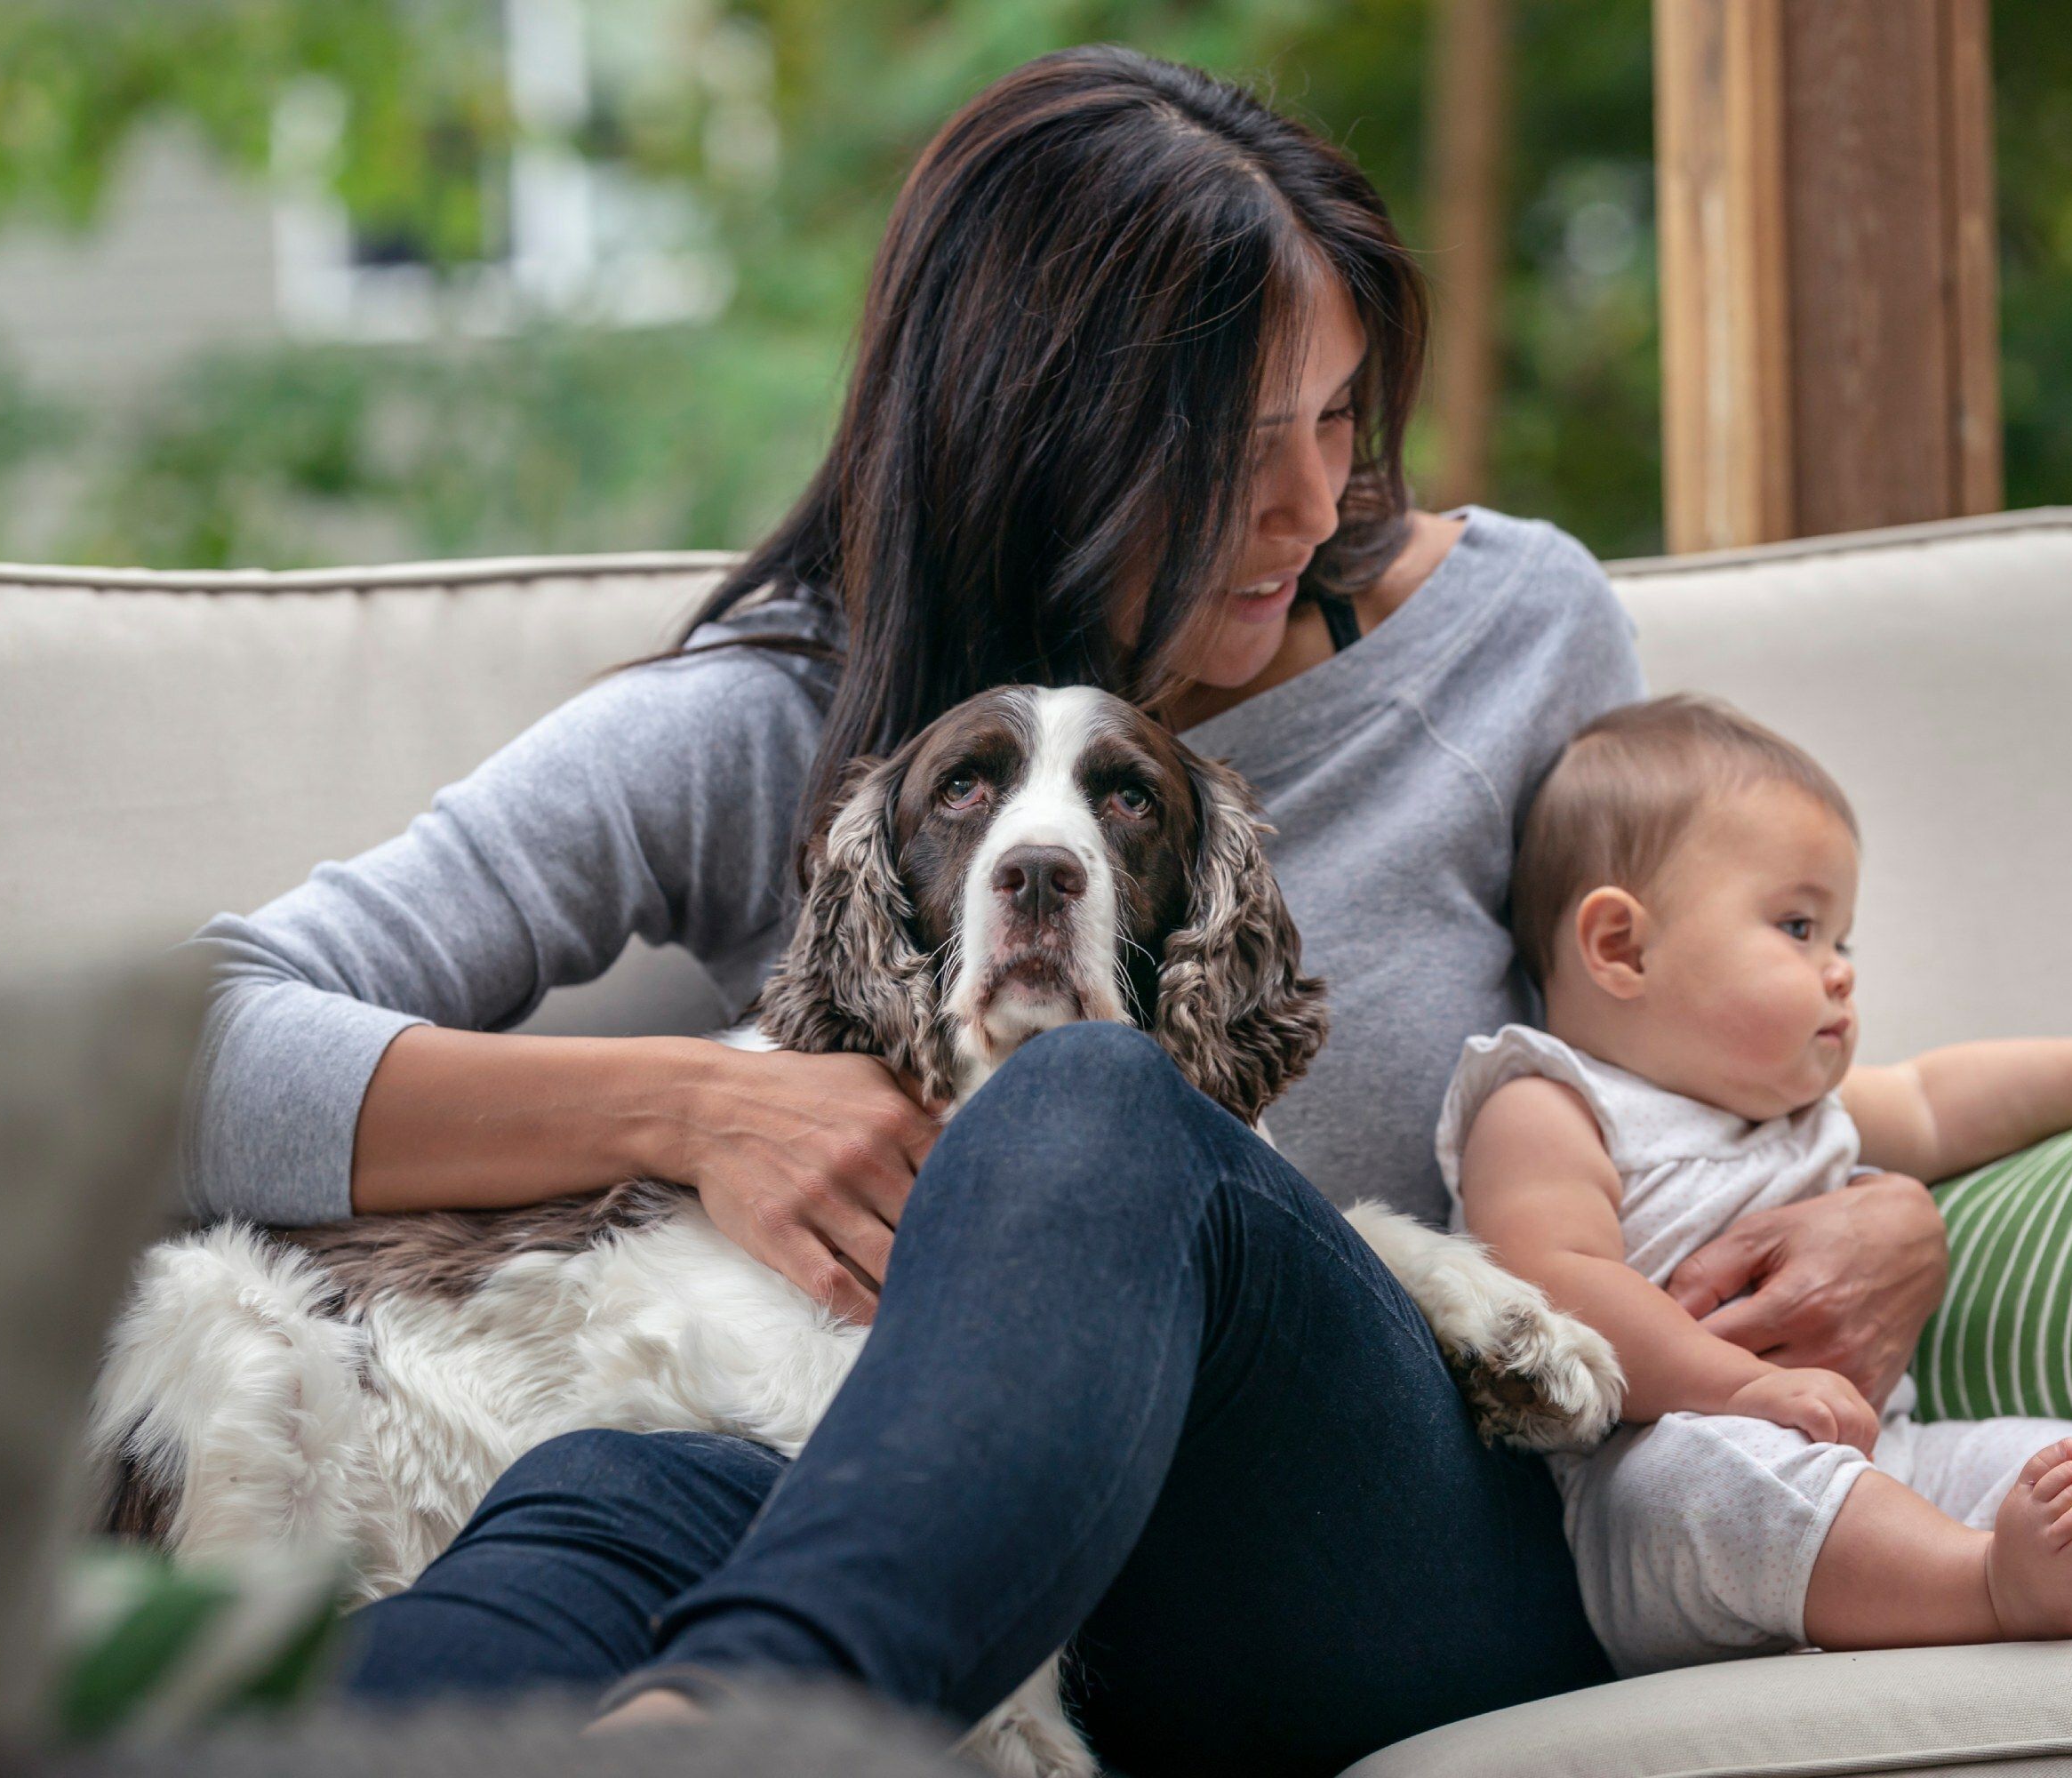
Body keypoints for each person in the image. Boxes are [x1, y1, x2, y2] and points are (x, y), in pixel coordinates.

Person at [185, 47, 1951, 1775]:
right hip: (876, 1516)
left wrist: (1894, 1217)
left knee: (1096, 1103)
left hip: (1350, 1543)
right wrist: (700, 1105)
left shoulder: (1509, 636)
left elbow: (1698, 1031)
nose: (1317, 500)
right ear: (1038, 440)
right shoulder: (783, 723)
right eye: (1243, 447)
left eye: (1342, 417)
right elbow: (195, 1047)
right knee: (601, 1504)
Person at [1444, 694, 2072, 1678]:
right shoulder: (1546, 1098)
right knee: (1716, 1475)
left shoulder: (1799, 1102)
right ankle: (1987, 1588)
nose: (1839, 973)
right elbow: (1554, 1280)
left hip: (1886, 1450)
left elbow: (1935, 1096)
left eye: (1844, 940)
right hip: (1645, 1484)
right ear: (1622, 946)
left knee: (2051, 1451)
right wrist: (1741, 1386)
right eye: (1798, 925)